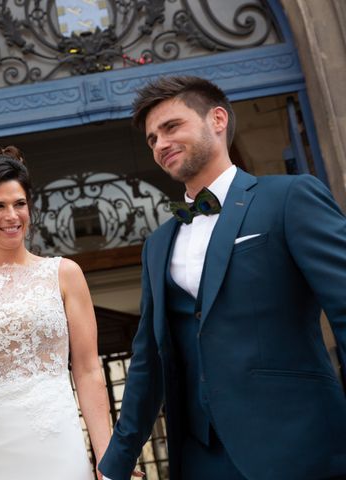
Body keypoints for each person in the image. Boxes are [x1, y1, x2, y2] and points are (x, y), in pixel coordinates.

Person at [98, 75, 346, 480]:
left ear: (217, 119)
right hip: (201, 457)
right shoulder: (158, 244)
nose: (160, 144)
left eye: (171, 127)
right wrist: (116, 464)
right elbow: (149, 360)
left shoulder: (289, 197)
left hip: (300, 444)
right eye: (151, 138)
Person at [0, 144, 113, 479]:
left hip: (54, 439)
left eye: (19, 204)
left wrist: (108, 458)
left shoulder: (65, 274)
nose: (12, 216)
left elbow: (88, 370)